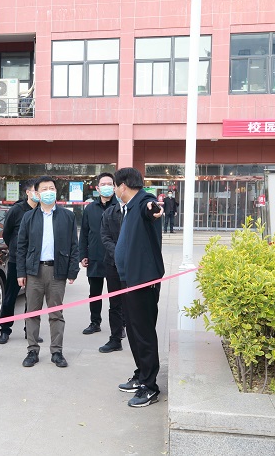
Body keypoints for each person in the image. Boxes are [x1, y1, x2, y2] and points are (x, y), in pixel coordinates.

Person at [113, 167, 165, 408]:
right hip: (129, 279)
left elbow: (151, 208)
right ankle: (141, 374)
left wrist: (154, 209)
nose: (115, 190)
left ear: (123, 186)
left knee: (143, 332)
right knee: (133, 330)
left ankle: (150, 386)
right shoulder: (130, 207)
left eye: (115, 186)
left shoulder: (144, 201)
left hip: (143, 281)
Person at [16, 175, 79, 368]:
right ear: (36, 193)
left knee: (56, 314)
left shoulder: (67, 216)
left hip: (57, 271)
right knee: (32, 313)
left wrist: (72, 271)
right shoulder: (29, 217)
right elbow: (21, 247)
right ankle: (32, 351)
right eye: (44, 189)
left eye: (51, 188)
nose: (48, 192)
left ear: (56, 191)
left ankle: (57, 352)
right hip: (34, 272)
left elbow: (74, 245)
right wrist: (21, 272)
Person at [0, 179, 40, 345]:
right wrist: (15, 248)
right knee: (10, 296)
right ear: (28, 192)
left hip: (36, 261)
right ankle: (5, 329)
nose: (39, 194)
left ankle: (30, 330)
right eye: (36, 190)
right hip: (17, 260)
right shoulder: (17, 210)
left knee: (33, 298)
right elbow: (6, 233)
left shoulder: (42, 209)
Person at [79, 173, 118, 338]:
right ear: (97, 188)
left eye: (110, 184)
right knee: (94, 293)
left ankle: (120, 324)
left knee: (116, 294)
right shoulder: (90, 208)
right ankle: (95, 322)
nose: (106, 187)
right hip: (94, 257)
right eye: (103, 184)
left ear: (114, 187)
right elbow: (84, 233)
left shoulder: (120, 207)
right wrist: (83, 254)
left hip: (114, 258)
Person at [98, 190, 127, 354]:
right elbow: (105, 236)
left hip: (133, 266)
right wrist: (118, 253)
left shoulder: (137, 211)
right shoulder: (109, 213)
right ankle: (116, 339)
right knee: (115, 304)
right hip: (113, 264)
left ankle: (136, 338)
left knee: (133, 304)